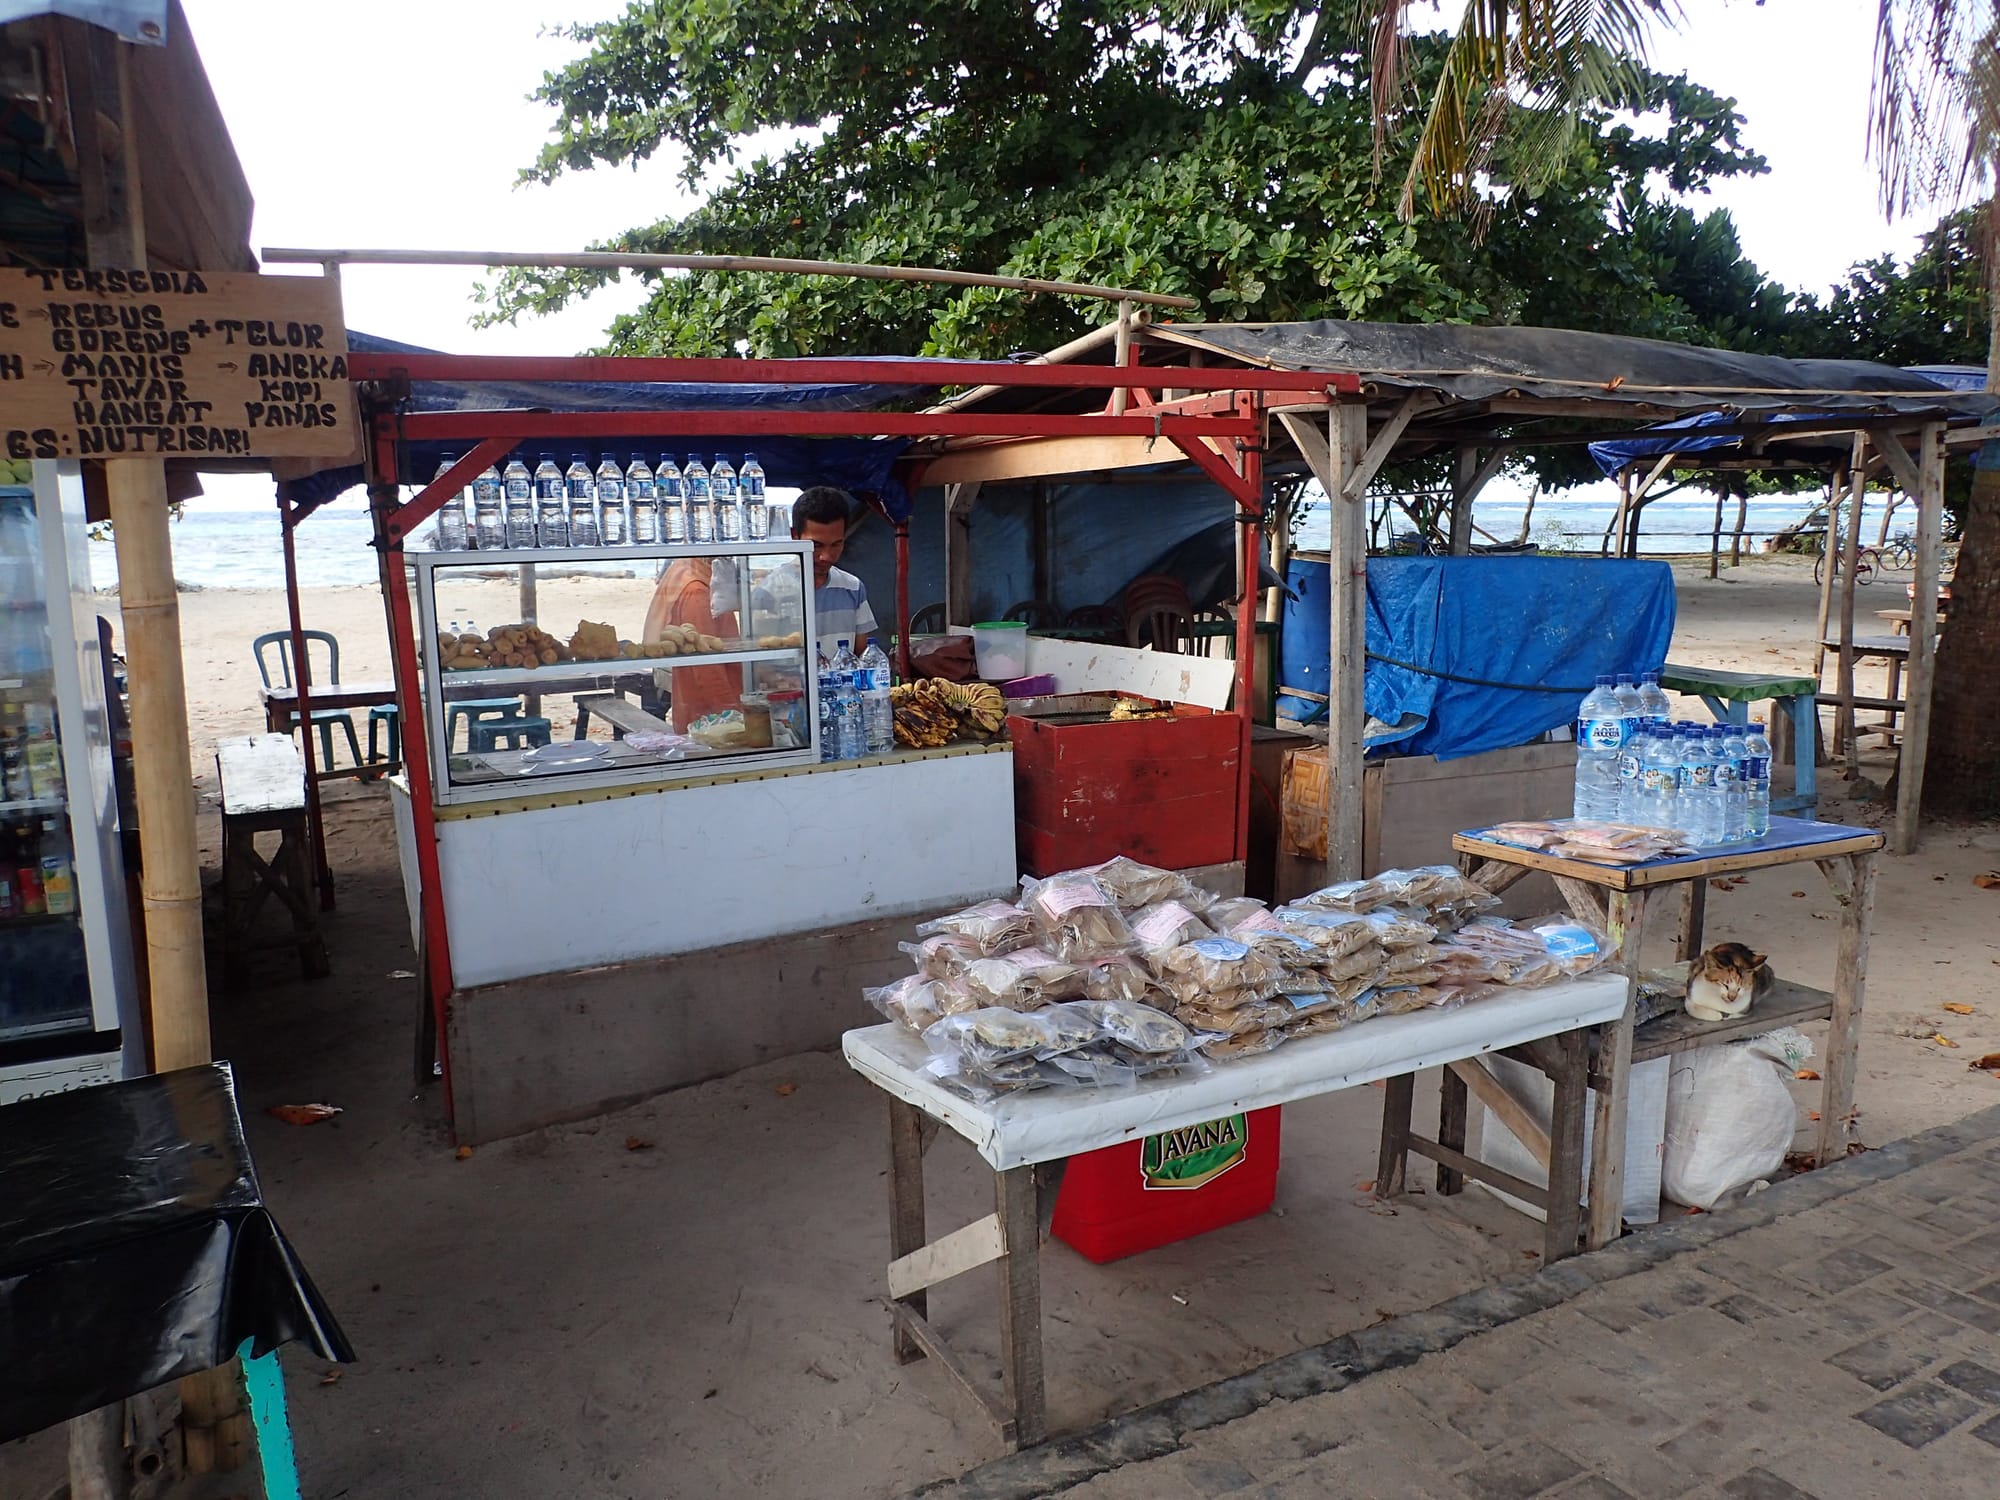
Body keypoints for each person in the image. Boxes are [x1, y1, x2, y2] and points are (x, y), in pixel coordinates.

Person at [642, 555, 741, 732]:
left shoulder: (686, 569)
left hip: (695, 706)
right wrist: (732, 714)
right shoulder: (697, 593)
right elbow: (707, 669)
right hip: (711, 718)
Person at [791, 486, 877, 649]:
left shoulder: (853, 588)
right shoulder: (770, 593)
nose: (826, 556)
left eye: (836, 544)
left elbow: (864, 656)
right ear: (795, 536)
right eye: (816, 545)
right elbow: (763, 667)